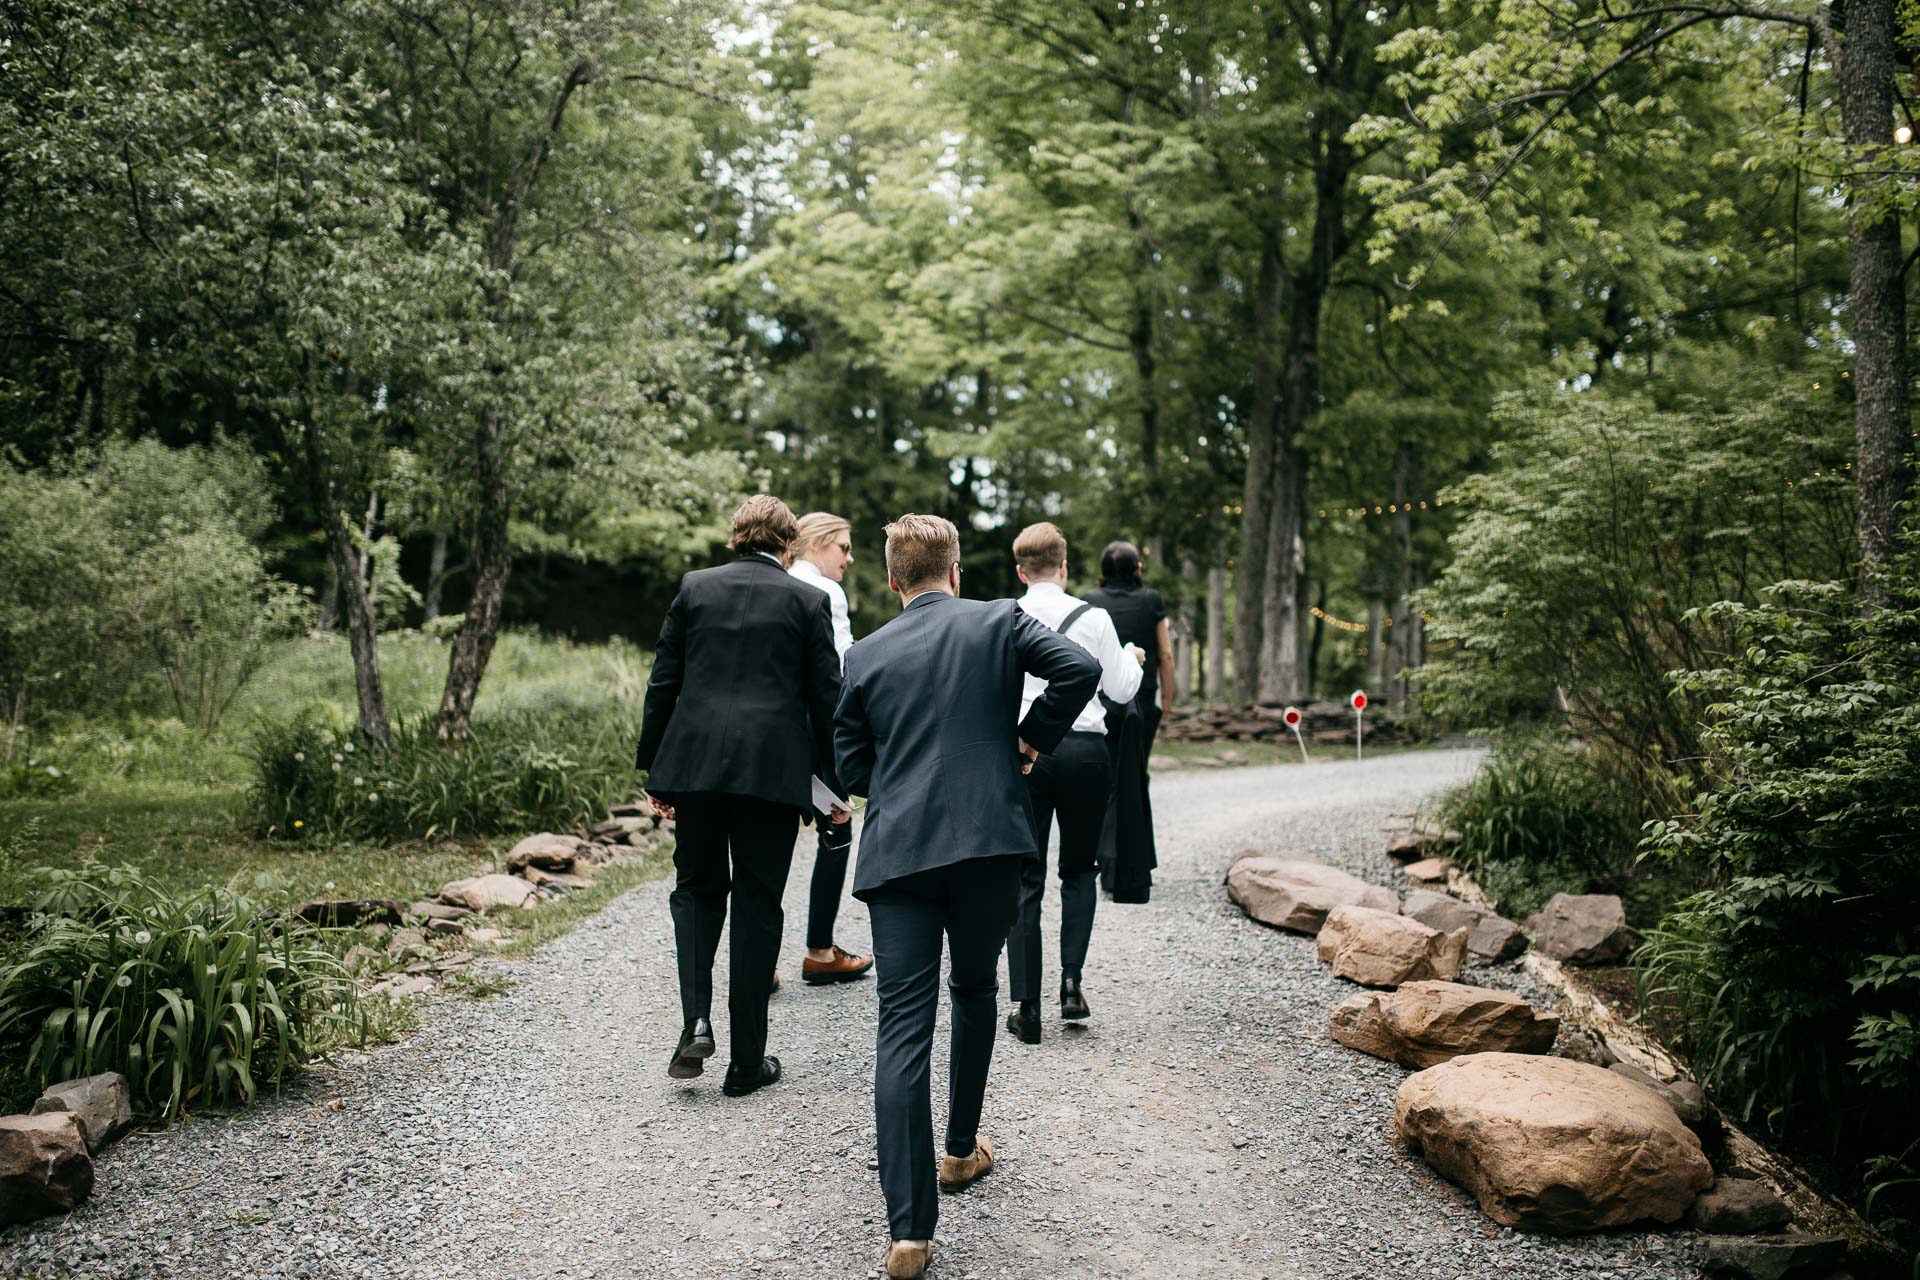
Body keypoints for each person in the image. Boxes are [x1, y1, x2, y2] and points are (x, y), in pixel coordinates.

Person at [832, 513, 1098, 1280]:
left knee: (901, 1028)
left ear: (891, 580)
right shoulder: (997, 620)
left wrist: (903, 781)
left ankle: (909, 1233)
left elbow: (851, 767)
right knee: (976, 987)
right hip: (987, 843)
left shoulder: (866, 653)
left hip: (900, 856)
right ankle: (958, 1150)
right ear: (956, 570)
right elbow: (1077, 670)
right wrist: (1026, 739)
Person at [634, 495, 847, 1098]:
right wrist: (832, 786)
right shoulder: (808, 600)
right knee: (758, 903)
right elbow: (825, 699)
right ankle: (746, 1062)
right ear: (788, 545)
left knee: (698, 892)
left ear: (736, 538)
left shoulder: (695, 588)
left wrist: (656, 768)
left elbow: (663, 681)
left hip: (695, 768)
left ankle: (695, 1020)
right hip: (772, 777)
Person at [1003, 522, 1143, 1044]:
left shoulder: (1007, 615)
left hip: (1026, 753)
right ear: (1064, 567)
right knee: (1079, 871)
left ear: (1021, 571)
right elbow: (1123, 690)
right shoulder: (1096, 618)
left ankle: (1026, 1006)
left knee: (1026, 879)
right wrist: (1131, 656)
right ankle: (1071, 984)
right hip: (1086, 752)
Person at [786, 511, 873, 985]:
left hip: (772, 739)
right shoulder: (825, 592)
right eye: (842, 546)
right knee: (837, 831)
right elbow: (841, 673)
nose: (849, 557)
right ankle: (820, 950)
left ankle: (757, 961)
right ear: (816, 543)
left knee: (768, 846)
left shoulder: (776, 581)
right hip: (816, 738)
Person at [1084, 540, 1174, 903]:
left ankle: (1106, 863)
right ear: (1138, 568)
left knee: (1106, 782)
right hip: (1140, 700)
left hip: (1103, 701)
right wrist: (1167, 698)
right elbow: (1164, 652)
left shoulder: (1089, 600)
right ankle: (1130, 862)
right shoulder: (1152, 601)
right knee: (1134, 776)